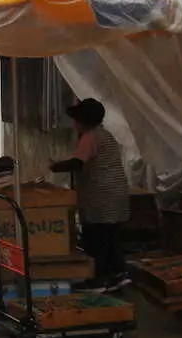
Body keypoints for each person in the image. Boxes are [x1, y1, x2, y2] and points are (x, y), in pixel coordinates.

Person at [49, 98, 131, 291]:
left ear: (83, 121)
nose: (74, 124)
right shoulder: (104, 134)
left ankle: (98, 279)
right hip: (115, 195)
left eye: (76, 120)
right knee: (111, 236)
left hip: (101, 198)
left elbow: (77, 163)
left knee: (96, 238)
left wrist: (55, 166)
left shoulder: (90, 137)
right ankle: (118, 274)